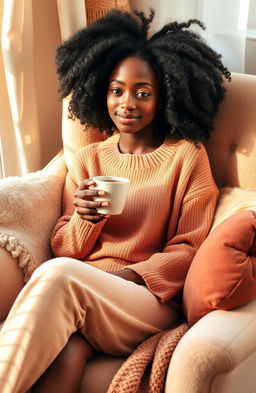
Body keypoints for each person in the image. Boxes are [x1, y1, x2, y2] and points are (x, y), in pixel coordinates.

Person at [0, 9, 231, 393]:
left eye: (143, 93)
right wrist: (85, 220)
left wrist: (126, 276)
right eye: (116, 90)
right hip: (85, 292)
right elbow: (64, 246)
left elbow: (190, 248)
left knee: (55, 276)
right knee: (67, 354)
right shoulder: (91, 158)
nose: (126, 103)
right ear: (101, 91)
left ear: (165, 96)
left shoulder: (186, 157)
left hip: (147, 298)